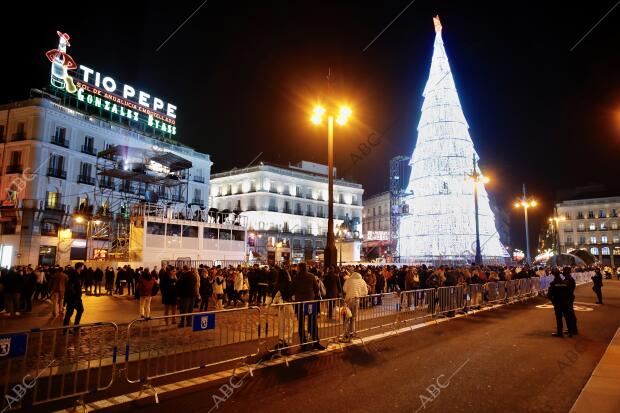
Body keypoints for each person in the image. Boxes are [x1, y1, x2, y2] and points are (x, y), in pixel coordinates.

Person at [292, 262, 325, 351]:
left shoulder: (295, 277)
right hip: (310, 302)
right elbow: (317, 288)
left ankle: (303, 343)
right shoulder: (311, 276)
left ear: (298, 268)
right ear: (306, 268)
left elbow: (292, 289)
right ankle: (315, 342)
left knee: (301, 323)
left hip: (299, 303)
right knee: (313, 322)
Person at [340, 271, 368, 342]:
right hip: (357, 300)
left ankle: (346, 335)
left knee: (346, 318)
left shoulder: (349, 280)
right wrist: (358, 293)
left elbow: (344, 289)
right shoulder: (362, 281)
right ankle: (352, 334)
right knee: (354, 318)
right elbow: (365, 292)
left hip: (349, 300)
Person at [547, 268, 571, 337]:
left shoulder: (553, 283)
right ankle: (570, 332)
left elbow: (549, 295)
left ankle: (560, 332)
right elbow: (569, 292)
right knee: (567, 316)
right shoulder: (565, 283)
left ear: (553, 275)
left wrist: (553, 301)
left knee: (559, 317)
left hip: (557, 303)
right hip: (565, 302)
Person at [63, 263, 85, 330]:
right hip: (73, 298)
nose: (83, 268)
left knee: (80, 310)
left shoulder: (77, 275)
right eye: (82, 266)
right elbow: (71, 286)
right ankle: (66, 328)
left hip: (76, 297)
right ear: (80, 267)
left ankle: (75, 326)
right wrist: (75, 294)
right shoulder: (74, 275)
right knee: (70, 312)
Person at [562, 267, 578, 335]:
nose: (563, 272)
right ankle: (572, 329)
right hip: (569, 297)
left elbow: (566, 288)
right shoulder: (568, 278)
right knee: (570, 313)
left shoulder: (569, 279)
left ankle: (572, 329)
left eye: (564, 271)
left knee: (569, 314)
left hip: (568, 297)